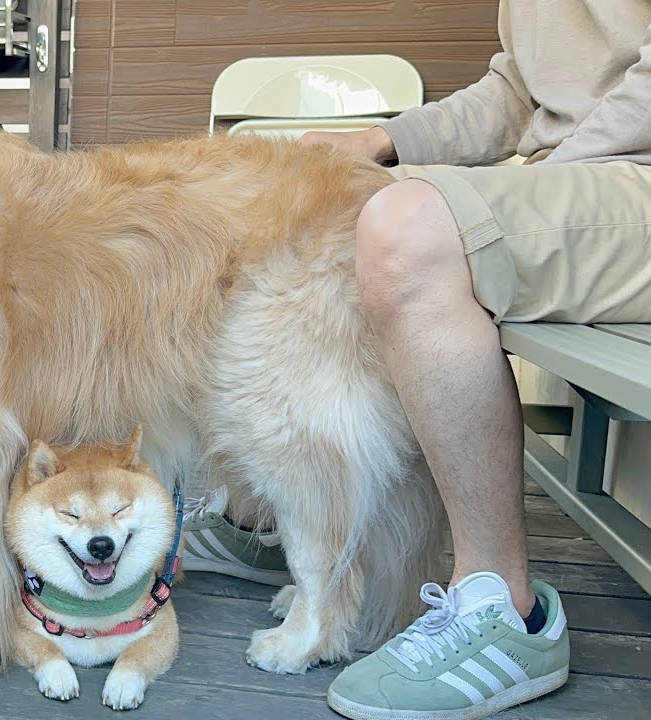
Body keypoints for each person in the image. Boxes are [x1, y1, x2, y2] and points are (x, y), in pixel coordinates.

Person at [181, 2, 651, 718]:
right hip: (579, 178)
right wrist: (379, 140)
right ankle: (273, 519)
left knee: (405, 229)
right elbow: (518, 92)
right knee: (285, 204)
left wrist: (533, 183)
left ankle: (502, 611)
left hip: (631, 177)